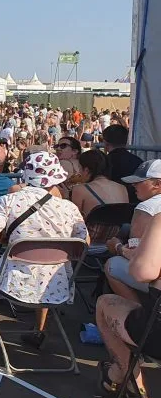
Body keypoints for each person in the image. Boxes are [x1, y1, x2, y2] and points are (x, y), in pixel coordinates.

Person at [0, 152, 88, 350]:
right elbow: (85, 243)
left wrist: (8, 235)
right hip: (55, 285)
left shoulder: (10, 200)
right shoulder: (69, 208)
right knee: (46, 265)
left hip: (14, 282)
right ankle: (39, 330)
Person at [96, 207, 161, 398]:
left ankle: (122, 375)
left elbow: (142, 273)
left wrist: (128, 252)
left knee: (104, 303)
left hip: (156, 336)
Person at [104, 160, 161, 302]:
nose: (134, 185)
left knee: (112, 264)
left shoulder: (146, 208)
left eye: (140, 181)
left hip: (156, 279)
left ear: (157, 184)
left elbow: (135, 256)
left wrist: (117, 247)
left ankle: (139, 313)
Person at [68, 148, 129, 218]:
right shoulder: (122, 188)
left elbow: (74, 219)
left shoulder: (80, 189)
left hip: (90, 228)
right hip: (120, 228)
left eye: (80, 168)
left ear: (86, 170)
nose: (79, 173)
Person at [102, 124, 143, 201]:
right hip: (135, 203)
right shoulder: (138, 160)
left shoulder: (103, 162)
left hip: (109, 204)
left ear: (105, 142)